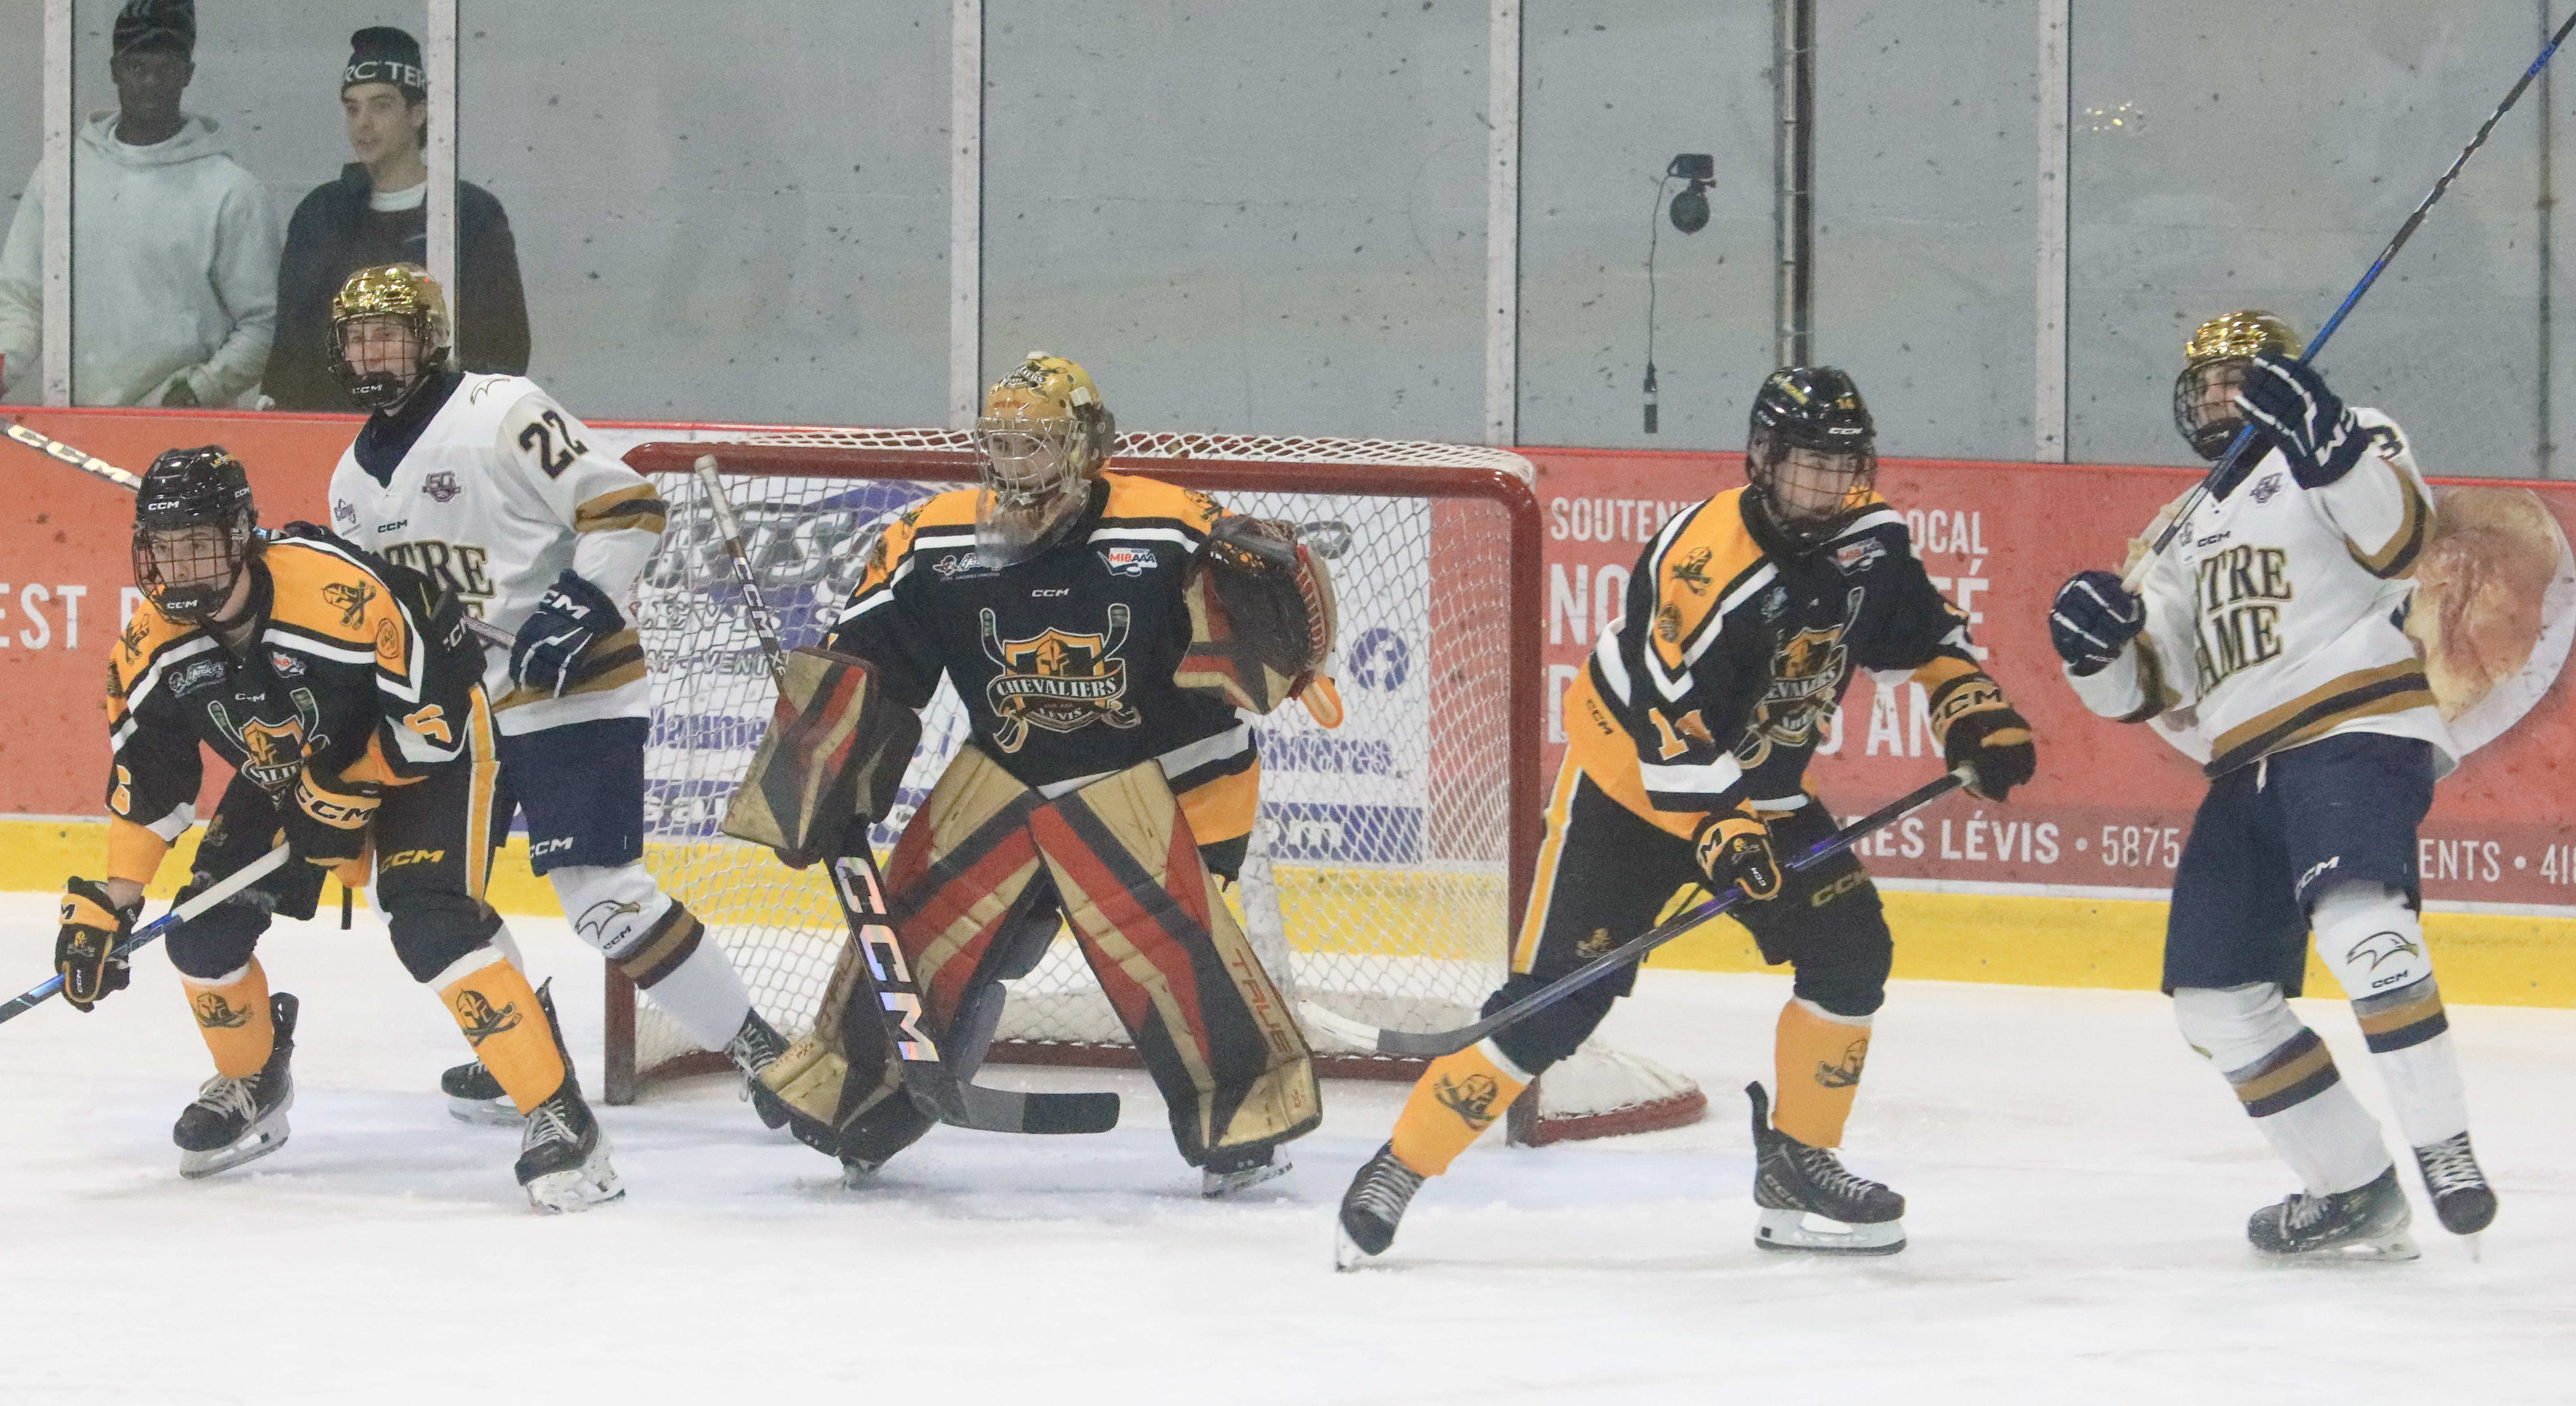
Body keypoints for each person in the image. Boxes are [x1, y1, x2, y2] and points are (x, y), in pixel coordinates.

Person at [1334, 366, 2039, 1265]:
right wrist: (1720, 827)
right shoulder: (1701, 563)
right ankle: (1399, 1164)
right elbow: (1672, 723)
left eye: (1841, 468)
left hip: (1760, 787)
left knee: (1851, 950)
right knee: (1553, 1010)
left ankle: (1797, 1167)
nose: (1825, 489)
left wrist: (1971, 708)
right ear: (1761, 459)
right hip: (1631, 790)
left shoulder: (1872, 543)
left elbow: (1928, 636)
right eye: (1805, 467)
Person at [755, 352, 1330, 1195]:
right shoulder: (936, 537)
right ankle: (865, 1094)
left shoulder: (1171, 525)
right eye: (1002, 443)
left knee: (1170, 949)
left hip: (1165, 778)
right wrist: (820, 765)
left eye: (1039, 442)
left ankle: (1245, 1119)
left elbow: (1270, 653)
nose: (1017, 463)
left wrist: (1277, 603)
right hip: (1012, 771)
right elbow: (868, 664)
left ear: (1088, 444)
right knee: (935, 935)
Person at [53, 447, 618, 1211]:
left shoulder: (338, 596)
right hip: (291, 770)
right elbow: (150, 784)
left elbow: (438, 723)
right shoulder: (150, 646)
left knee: (431, 923)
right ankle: (255, 1079)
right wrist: (110, 902)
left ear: (242, 536)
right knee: (200, 937)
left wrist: (349, 784)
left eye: (200, 542)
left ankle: (558, 1110)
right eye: (163, 545)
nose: (180, 566)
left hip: (430, 755)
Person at [2049, 311, 2495, 1259]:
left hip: (2350, 728)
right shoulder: (2179, 527)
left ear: (2278, 380)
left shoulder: (2344, 433)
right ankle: (2352, 1191)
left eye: (2235, 377)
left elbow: (2399, 540)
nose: (2216, 396)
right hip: (2242, 765)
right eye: (2201, 382)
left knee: (2358, 925)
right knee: (2213, 1001)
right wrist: (2089, 651)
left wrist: (2324, 440)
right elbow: (2151, 684)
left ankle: (2441, 1145)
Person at [318, 264, 784, 1121]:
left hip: (574, 692)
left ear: (429, 339)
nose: (369, 353)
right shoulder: (349, 485)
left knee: (603, 899)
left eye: (386, 334)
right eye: (355, 337)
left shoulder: (501, 410)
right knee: (435, 903)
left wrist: (579, 603)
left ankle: (764, 1051)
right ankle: (525, 1049)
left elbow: (626, 504)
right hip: (465, 723)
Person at [0, 0, 276, 407]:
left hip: (186, 437)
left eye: (165, 69)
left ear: (187, 75)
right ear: (115, 71)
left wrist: (197, 392)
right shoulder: (62, 176)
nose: (151, 81)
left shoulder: (233, 191)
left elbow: (263, 324)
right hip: (73, 427)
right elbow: (23, 302)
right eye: (137, 66)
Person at [262, 28, 528, 411]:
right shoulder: (319, 215)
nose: (363, 122)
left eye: (382, 105)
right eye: (352, 108)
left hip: (438, 434)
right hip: (332, 436)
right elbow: (291, 346)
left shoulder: (469, 214)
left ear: (418, 113)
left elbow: (503, 349)